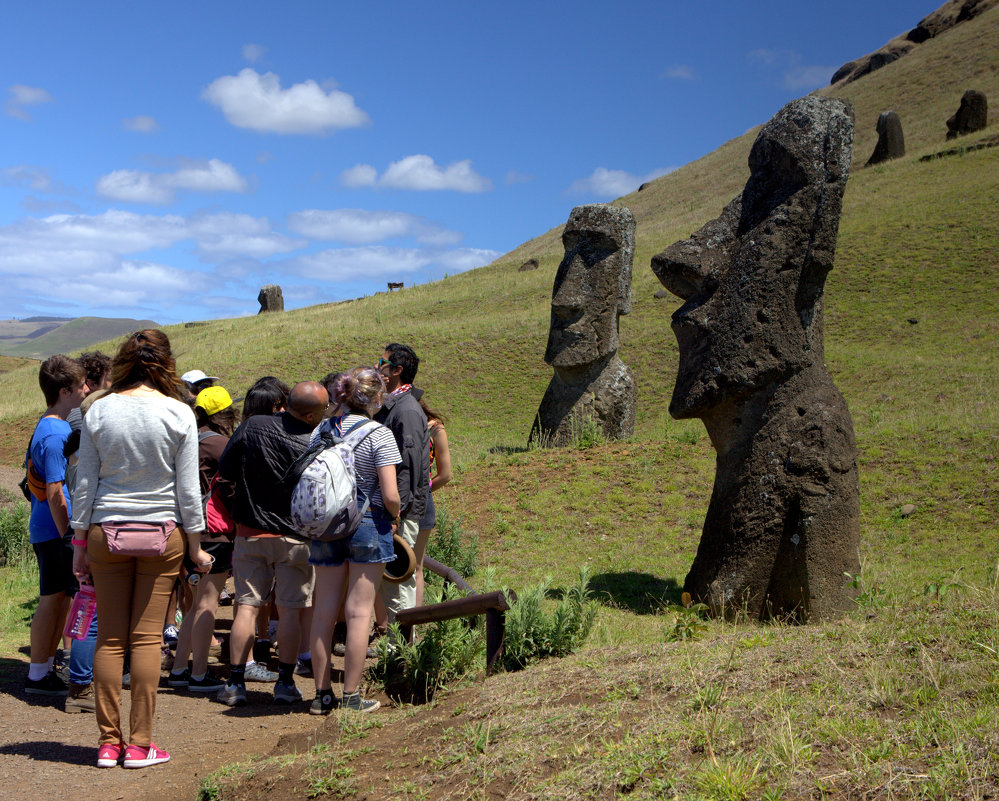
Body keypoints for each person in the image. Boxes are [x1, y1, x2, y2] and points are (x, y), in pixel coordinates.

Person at [70, 329, 211, 769]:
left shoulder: (99, 410)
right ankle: (139, 744)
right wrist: (197, 546)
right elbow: (189, 490)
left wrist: (78, 542)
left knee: (110, 639)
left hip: (104, 531)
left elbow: (85, 483)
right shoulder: (179, 412)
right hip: (162, 534)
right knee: (147, 638)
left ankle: (108, 745)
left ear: (123, 361)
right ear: (166, 363)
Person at [216, 381, 328, 707]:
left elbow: (225, 474)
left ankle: (235, 683)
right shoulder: (317, 440)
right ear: (311, 413)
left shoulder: (252, 426)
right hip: (297, 537)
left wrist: (238, 512)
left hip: (250, 533)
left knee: (247, 607)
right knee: (291, 613)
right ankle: (286, 683)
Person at [309, 367, 400, 714]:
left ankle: (320, 695)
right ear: (377, 398)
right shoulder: (380, 434)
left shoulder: (323, 429)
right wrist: (394, 514)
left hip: (327, 523)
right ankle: (350, 695)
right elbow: (390, 494)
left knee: (324, 610)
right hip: (368, 523)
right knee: (360, 612)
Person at [168, 386, 239, 693]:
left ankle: (180, 668)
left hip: (186, 531)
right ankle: (199, 674)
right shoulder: (221, 444)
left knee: (195, 604)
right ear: (224, 413)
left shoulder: (186, 440)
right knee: (208, 604)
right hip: (215, 531)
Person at [24, 355, 87, 697]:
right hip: (54, 531)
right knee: (52, 600)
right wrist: (68, 534)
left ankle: (44, 669)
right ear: (65, 391)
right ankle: (38, 674)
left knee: (60, 600)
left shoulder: (56, 427)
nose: (86, 390)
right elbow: (54, 490)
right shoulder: (54, 433)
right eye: (80, 386)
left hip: (53, 529)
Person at [374, 344, 430, 630]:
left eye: (381, 362)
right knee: (392, 582)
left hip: (400, 511)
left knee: (399, 581)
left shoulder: (405, 411)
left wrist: (398, 512)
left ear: (396, 370)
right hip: (394, 508)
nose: (376, 368)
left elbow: (408, 468)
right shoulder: (393, 407)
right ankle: (399, 649)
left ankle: (403, 654)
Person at [414, 397, 453, 606]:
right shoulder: (435, 428)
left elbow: (445, 475)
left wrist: (422, 490)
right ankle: (411, 626)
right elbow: (445, 475)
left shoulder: (435, 429)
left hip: (411, 500)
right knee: (416, 567)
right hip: (421, 500)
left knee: (411, 566)